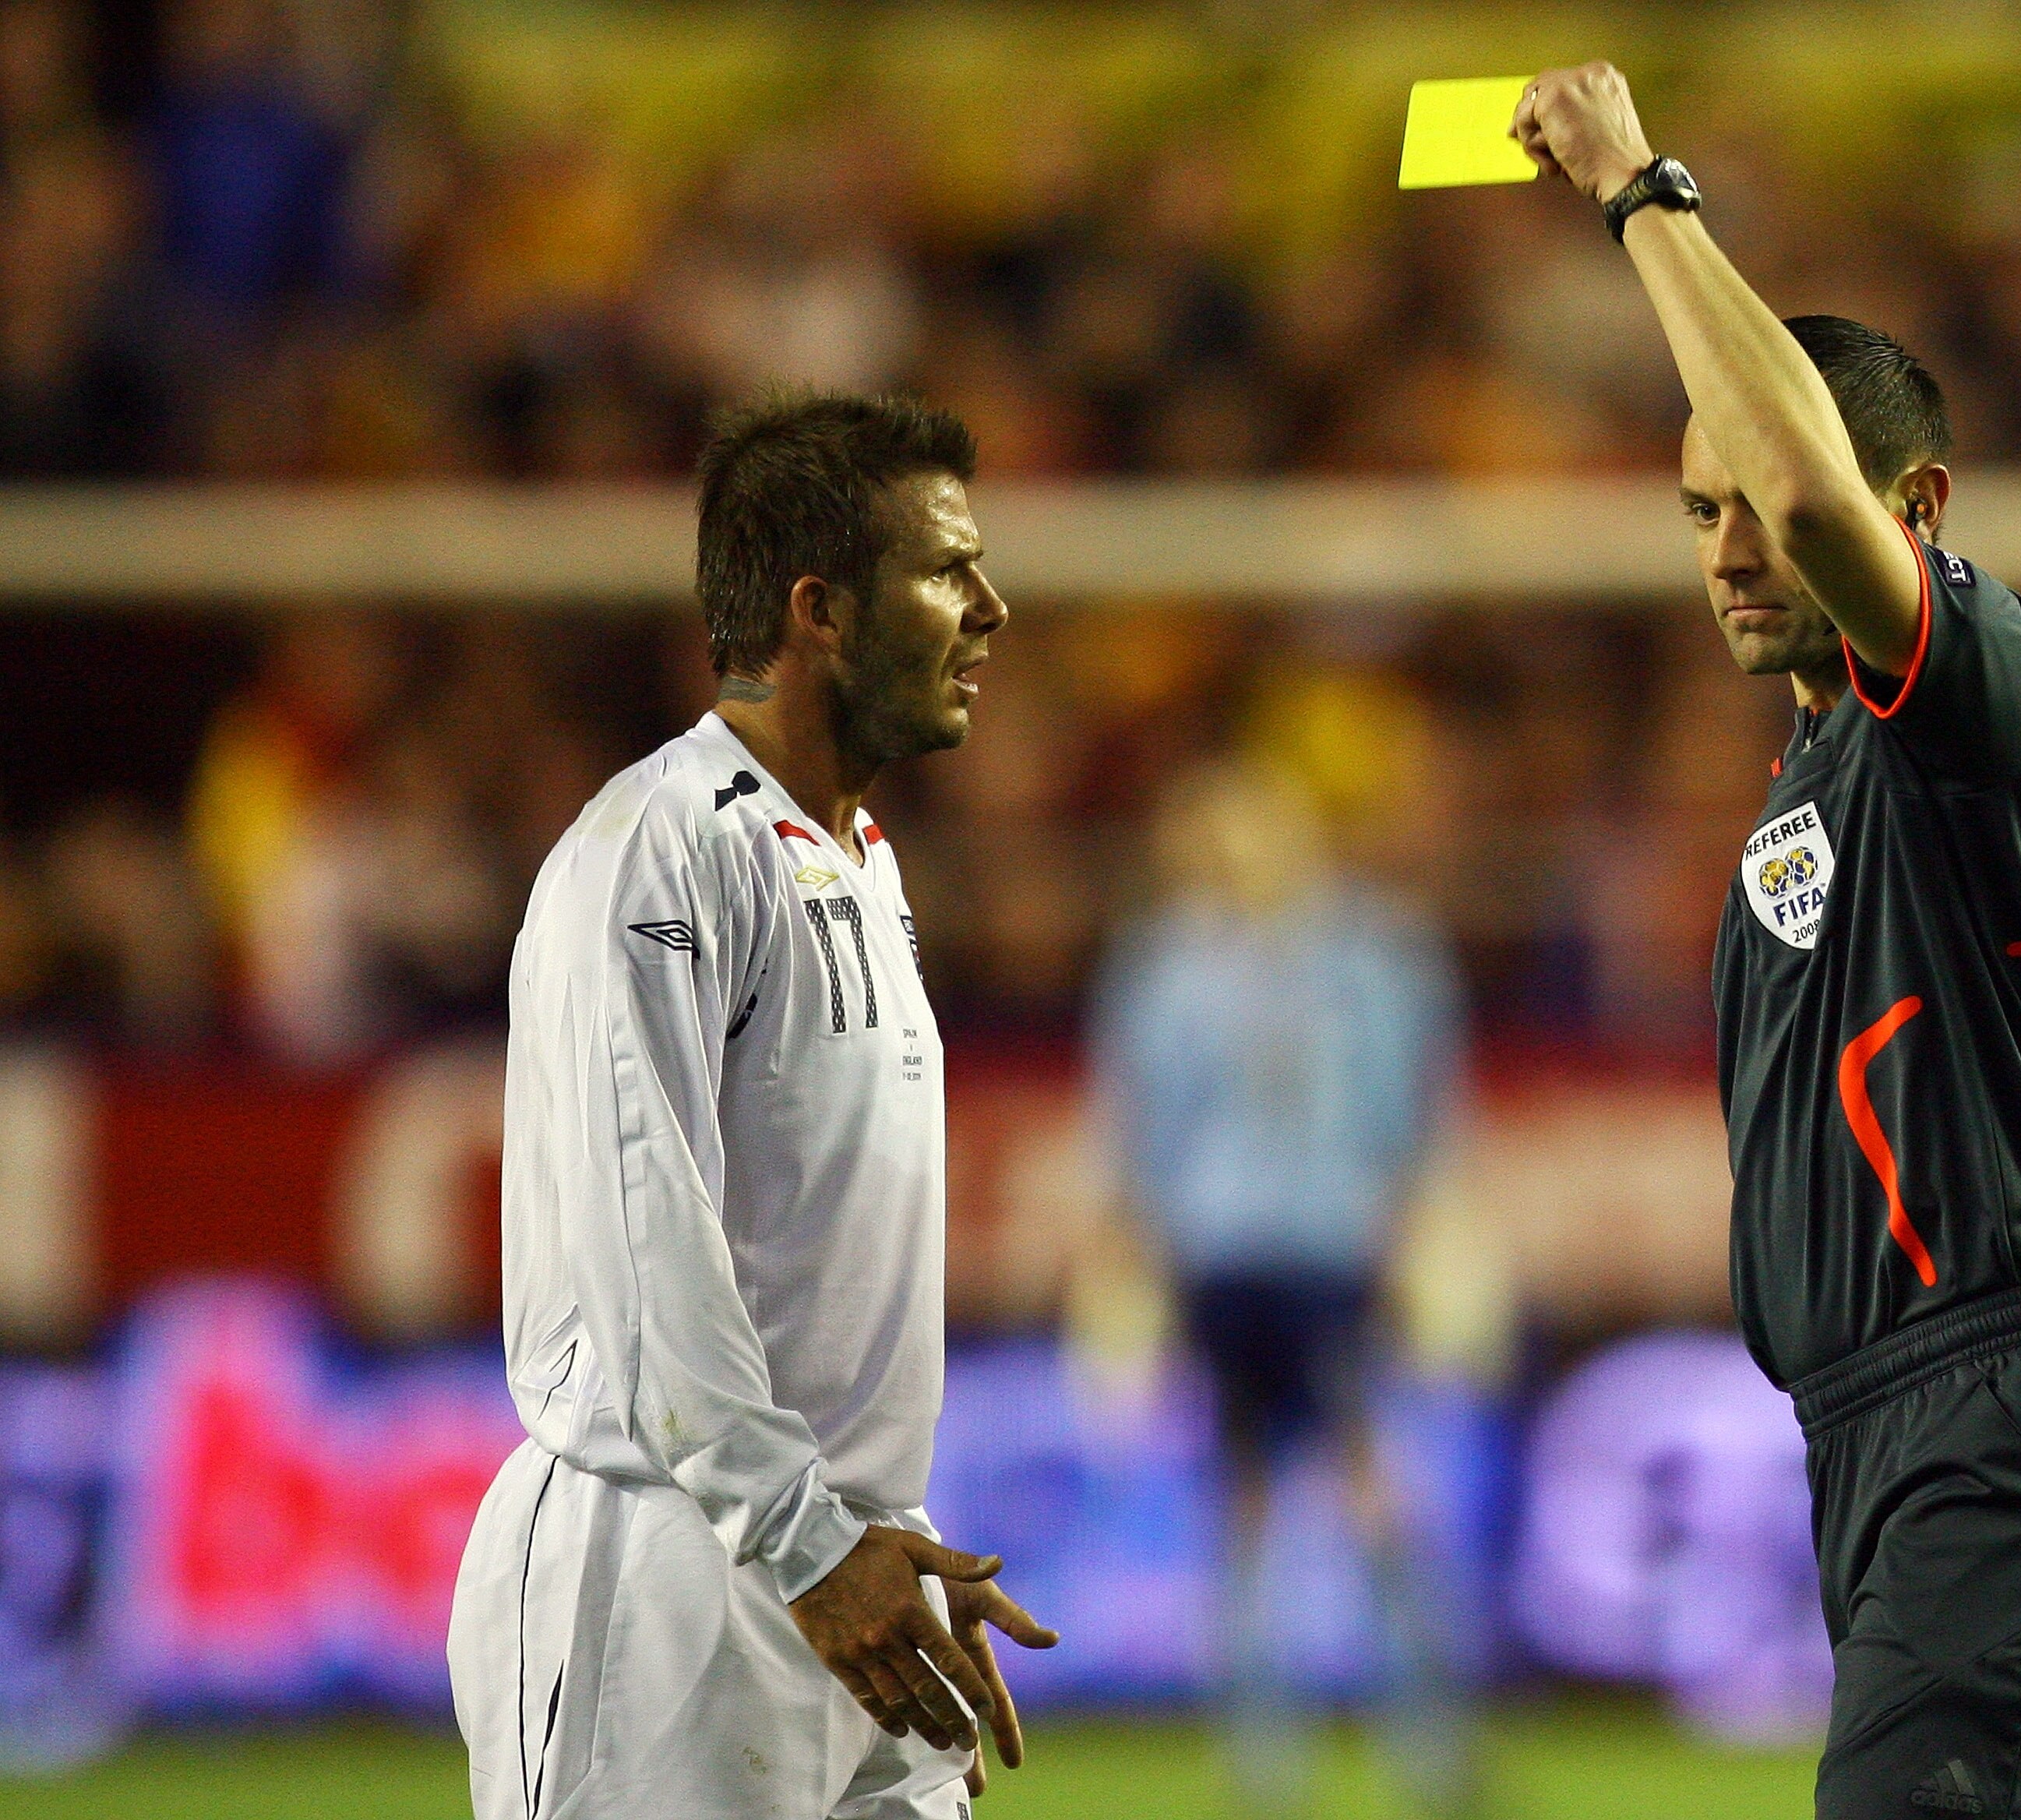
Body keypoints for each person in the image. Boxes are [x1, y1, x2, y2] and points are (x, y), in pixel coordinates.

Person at [1515, 65, 2021, 1819]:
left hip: (2017, 1426)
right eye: (1697, 512)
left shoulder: (1998, 700)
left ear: (1924, 503)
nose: (1731, 549)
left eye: (1750, 493)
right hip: (1893, 1439)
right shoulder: (1818, 763)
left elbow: (1821, 512)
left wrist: (1637, 192)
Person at [450, 388, 1056, 1820]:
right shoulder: (650, 854)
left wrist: (882, 1539)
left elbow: (808, 1274)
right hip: (665, 1581)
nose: (992, 609)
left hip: (841, 1572)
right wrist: (808, 1541)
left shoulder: (859, 863)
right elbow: (645, 1244)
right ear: (821, 610)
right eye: (945, 570)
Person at [1092, 760, 1472, 1815]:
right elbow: (1140, 1131)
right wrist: (1131, 1264)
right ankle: (1319, 1754)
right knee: (1290, 1497)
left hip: (1315, 1251)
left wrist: (1427, 1235)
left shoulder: (1358, 954)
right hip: (1244, 1257)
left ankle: (1398, 1746)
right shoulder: (1185, 963)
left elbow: (1414, 1112)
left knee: (1337, 1493)